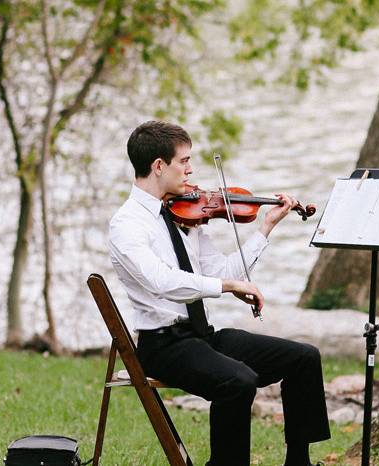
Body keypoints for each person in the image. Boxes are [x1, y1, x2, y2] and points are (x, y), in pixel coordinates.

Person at [109, 121, 330, 466]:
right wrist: (227, 288)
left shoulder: (185, 215)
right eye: (184, 161)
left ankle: (298, 463)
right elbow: (163, 282)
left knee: (304, 357)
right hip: (164, 345)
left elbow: (226, 272)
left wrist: (266, 227)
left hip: (203, 337)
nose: (191, 169)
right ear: (158, 166)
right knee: (238, 381)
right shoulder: (127, 225)